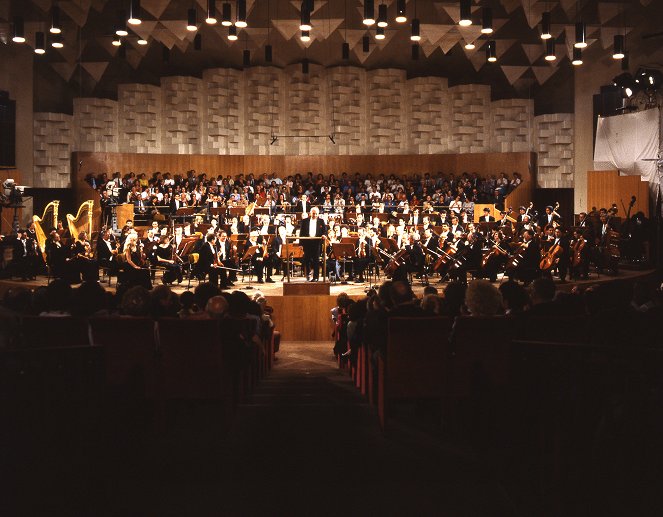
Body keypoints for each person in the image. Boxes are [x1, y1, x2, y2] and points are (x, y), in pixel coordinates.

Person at [299, 207, 327, 282]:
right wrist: (301, 244)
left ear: (318, 214)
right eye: (313, 213)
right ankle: (308, 274)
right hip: (307, 243)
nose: (314, 215)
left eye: (316, 214)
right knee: (307, 259)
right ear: (310, 213)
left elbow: (325, 231)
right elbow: (301, 233)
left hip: (316, 243)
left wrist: (324, 235)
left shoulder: (321, 221)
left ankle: (316, 277)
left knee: (316, 260)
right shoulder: (305, 221)